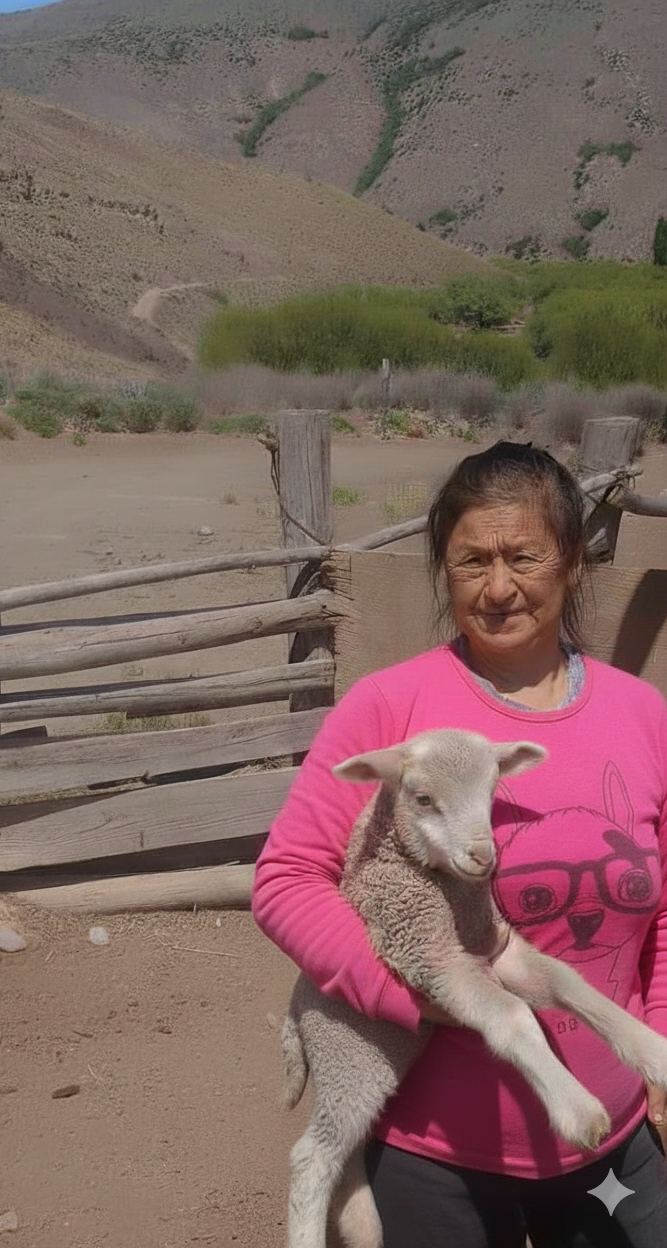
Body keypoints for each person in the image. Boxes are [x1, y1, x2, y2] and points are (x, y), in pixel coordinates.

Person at [252, 440, 667, 1248]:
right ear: (444, 570)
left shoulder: (642, 716)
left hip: (612, 1137)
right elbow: (287, 880)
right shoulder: (390, 707)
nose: (498, 585)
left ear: (574, 561)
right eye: (471, 560)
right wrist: (412, 999)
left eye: (524, 556)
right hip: (435, 1157)